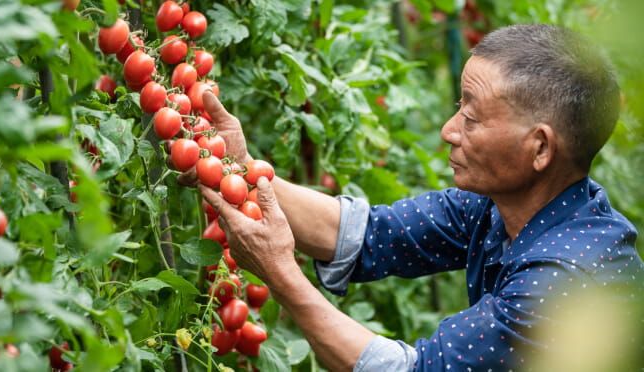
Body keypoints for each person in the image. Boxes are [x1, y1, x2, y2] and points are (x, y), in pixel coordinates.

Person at [185, 24, 644, 371]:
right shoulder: (504, 206)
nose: (449, 131)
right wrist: (239, 168)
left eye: (472, 117)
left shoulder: (563, 279)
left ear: (540, 147)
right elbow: (365, 234)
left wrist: (280, 273)